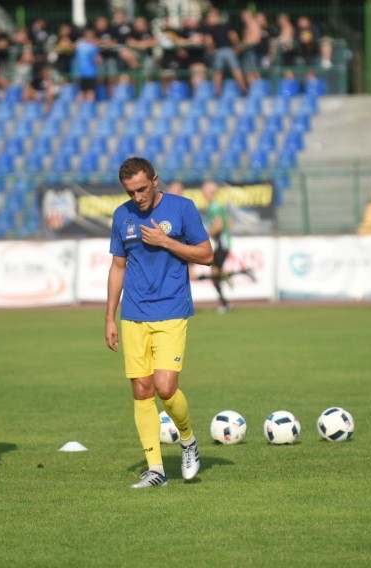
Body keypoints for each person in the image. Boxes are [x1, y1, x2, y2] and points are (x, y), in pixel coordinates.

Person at [105, 157, 213, 489]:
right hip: (134, 313)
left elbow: (207, 254)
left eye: (141, 189)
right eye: (130, 192)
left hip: (171, 310)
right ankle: (156, 469)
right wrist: (110, 315)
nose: (137, 197)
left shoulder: (182, 208)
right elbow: (118, 267)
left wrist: (166, 242)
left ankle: (188, 439)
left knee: (166, 388)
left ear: (155, 180)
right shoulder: (122, 216)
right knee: (141, 390)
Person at [196, 180, 256, 314]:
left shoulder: (214, 207)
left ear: (209, 191)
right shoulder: (218, 205)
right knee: (216, 273)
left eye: (204, 189)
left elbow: (218, 225)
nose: (202, 192)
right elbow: (229, 222)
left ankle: (225, 302)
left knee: (215, 274)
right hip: (224, 243)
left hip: (222, 244)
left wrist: (203, 237)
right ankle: (226, 300)